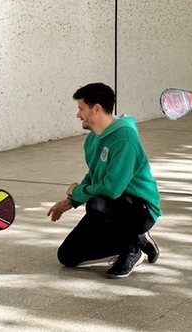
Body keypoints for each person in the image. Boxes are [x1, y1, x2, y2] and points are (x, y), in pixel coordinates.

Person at [47, 83, 162, 278]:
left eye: (81, 109)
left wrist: (76, 192)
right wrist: (72, 201)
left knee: (96, 203)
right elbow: (94, 176)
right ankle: (136, 240)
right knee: (67, 255)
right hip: (110, 207)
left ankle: (132, 249)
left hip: (139, 210)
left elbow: (111, 189)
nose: (78, 115)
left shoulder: (125, 138)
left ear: (97, 109)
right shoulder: (92, 139)